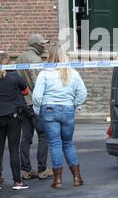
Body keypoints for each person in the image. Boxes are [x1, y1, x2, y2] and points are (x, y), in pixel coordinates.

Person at [32, 44, 87, 188]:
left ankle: (57, 180)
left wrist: (38, 111)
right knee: (68, 144)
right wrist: (76, 105)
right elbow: (82, 93)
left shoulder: (44, 73)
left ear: (49, 56)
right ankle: (77, 177)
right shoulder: (72, 72)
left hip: (49, 110)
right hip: (68, 109)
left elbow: (37, 96)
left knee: (55, 144)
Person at [0, 52, 29, 191]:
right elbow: (25, 91)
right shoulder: (14, 77)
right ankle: (18, 182)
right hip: (13, 116)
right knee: (14, 150)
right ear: (9, 63)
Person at [16, 34, 52, 180]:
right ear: (36, 44)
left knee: (26, 137)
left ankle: (25, 170)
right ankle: (42, 169)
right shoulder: (35, 59)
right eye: (42, 43)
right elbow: (38, 84)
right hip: (35, 104)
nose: (44, 46)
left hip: (22, 103)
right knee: (43, 136)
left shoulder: (19, 58)